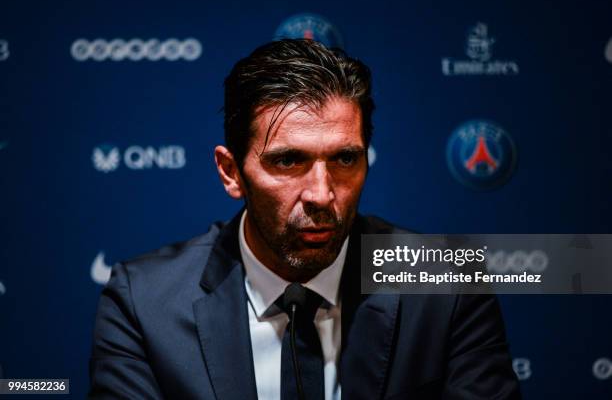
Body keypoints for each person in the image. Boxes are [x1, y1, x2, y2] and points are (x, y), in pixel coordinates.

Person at [89, 39, 521, 399]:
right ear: (231, 172)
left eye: (345, 158)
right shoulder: (144, 305)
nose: (321, 194)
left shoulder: (446, 284)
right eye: (289, 161)